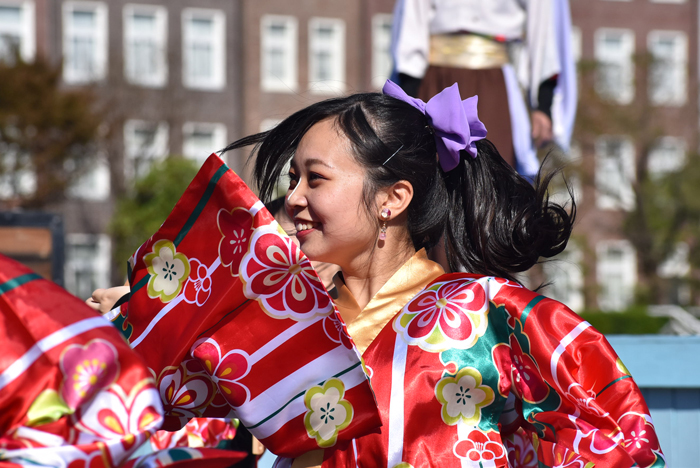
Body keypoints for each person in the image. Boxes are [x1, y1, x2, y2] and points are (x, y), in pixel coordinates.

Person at [88, 81, 663, 467]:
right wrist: (151, 328)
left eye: (315, 179)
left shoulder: (495, 314)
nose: (291, 200)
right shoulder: (272, 327)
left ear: (393, 199)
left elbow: (621, 437)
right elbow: (170, 429)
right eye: (293, 180)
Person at [391, 0, 578, 178]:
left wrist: (543, 106)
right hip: (435, 85)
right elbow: (413, 19)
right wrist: (407, 101)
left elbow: (542, 26)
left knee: (492, 178)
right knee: (428, 177)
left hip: (494, 87)